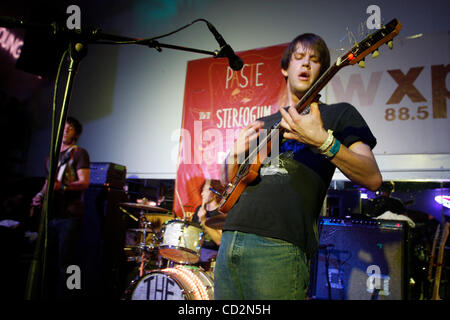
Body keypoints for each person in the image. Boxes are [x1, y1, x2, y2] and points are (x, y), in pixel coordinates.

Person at [214, 33, 382, 300]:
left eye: (314, 60)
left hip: (280, 246)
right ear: (285, 67)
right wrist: (233, 156)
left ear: (323, 71)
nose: (306, 64)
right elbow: (231, 185)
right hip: (231, 238)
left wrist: (324, 141)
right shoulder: (264, 122)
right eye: (299, 57)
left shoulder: (339, 114)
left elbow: (372, 177)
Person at [31, 116, 90, 299]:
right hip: (52, 214)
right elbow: (50, 181)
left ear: (76, 134)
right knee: (48, 261)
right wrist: (40, 196)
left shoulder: (79, 153)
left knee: (69, 262)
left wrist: (63, 187)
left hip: (70, 215)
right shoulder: (51, 156)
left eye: (70, 128)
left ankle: (71, 295)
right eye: (63, 127)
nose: (65, 130)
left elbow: (84, 182)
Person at [186, 179, 223, 269]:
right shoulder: (199, 209)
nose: (202, 193)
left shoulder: (220, 213)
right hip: (197, 251)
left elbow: (219, 241)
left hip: (212, 254)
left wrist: (203, 220)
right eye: (202, 190)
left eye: (206, 190)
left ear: (214, 193)